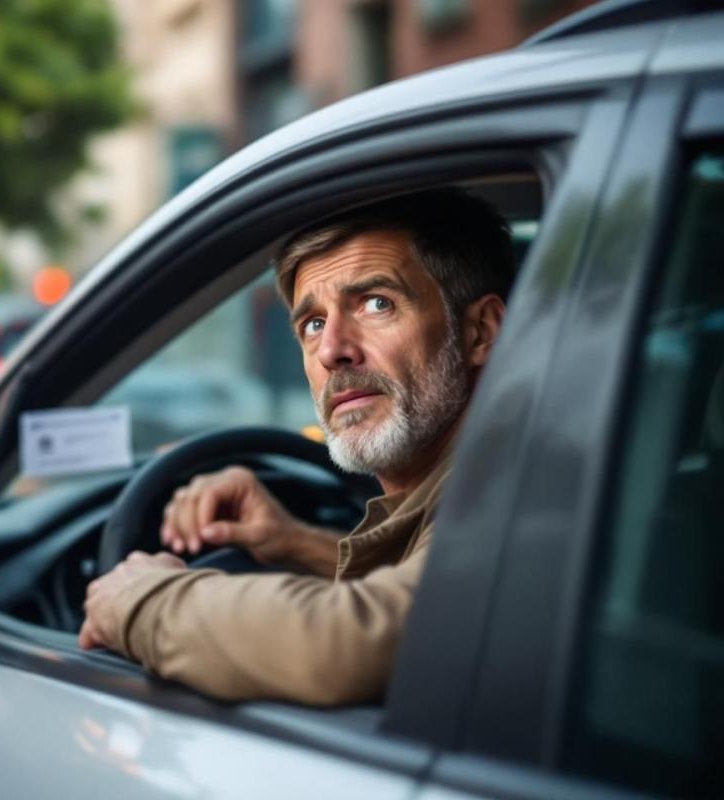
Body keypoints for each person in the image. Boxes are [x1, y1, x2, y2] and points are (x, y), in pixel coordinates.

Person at [78, 188, 513, 705]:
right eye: (313, 324)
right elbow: (428, 596)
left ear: (480, 332)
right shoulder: (472, 489)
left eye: (377, 304)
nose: (331, 350)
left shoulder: (521, 487)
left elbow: (354, 643)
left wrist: (141, 601)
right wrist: (292, 541)